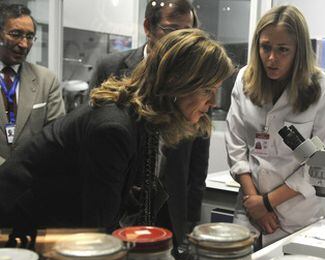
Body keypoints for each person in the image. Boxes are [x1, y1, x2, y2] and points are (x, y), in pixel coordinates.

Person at [0, 29, 234, 235]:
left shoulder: (142, 119)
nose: (213, 102)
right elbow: (99, 232)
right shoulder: (114, 128)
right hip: (16, 229)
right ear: (176, 82)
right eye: (207, 90)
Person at [89, 0, 208, 254]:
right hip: (120, 198)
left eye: (187, 32)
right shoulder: (111, 68)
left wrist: (191, 216)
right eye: (171, 30)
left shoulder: (193, 75)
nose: (180, 40)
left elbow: (198, 152)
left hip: (170, 201)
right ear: (148, 27)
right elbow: (94, 142)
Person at [225, 5, 325, 248]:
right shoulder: (245, 79)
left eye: (283, 50)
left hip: (298, 215)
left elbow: (319, 163)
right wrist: (255, 203)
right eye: (265, 47)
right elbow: (235, 143)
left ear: (298, 52)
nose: (271, 58)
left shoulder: (324, 90)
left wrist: (266, 204)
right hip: (249, 209)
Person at [0, 4, 65, 165]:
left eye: (29, 37)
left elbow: (56, 135)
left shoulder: (46, 80)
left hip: (30, 180)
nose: (23, 44)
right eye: (16, 34)